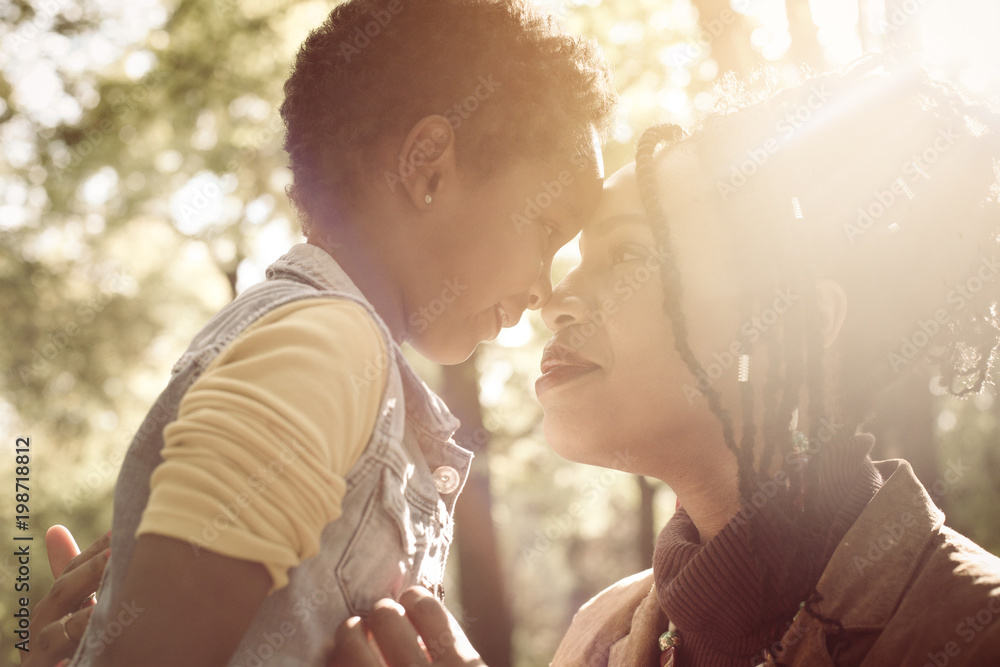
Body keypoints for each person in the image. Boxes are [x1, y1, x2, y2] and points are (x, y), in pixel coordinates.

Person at [330, 59, 1000, 666]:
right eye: (577, 258)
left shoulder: (974, 629)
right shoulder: (601, 635)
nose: (554, 301)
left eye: (626, 256)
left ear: (804, 321)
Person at [27, 1, 616, 665]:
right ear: (428, 168)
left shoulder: (344, 363)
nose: (543, 287)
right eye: (546, 230)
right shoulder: (330, 348)